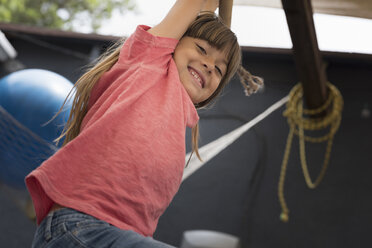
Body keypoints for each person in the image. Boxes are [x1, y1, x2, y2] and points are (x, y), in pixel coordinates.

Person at [26, 0, 262, 247]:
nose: (209, 65)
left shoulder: (180, 115)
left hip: (122, 235)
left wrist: (223, 36)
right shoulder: (148, 61)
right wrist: (219, 19)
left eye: (219, 70)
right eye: (202, 49)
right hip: (83, 226)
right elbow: (197, 4)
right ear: (174, 42)